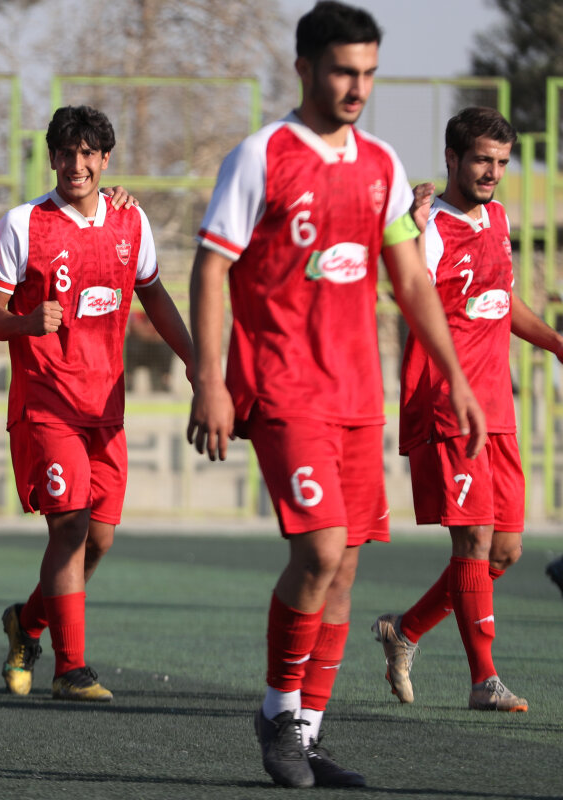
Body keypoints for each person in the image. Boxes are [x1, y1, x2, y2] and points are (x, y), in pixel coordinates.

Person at [186, 2, 486, 788]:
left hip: (357, 396)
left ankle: (310, 735)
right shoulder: (262, 156)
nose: (358, 87)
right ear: (305, 69)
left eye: (369, 73)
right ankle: (277, 714)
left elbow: (410, 278)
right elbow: (212, 267)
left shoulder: (381, 164)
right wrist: (209, 379)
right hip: (283, 388)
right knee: (319, 551)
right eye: (344, 71)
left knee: (346, 569)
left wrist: (454, 375)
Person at [0, 105, 194, 704]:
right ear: (51, 157)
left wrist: (195, 359)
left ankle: (27, 624)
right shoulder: (23, 224)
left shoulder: (131, 220)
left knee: (98, 540)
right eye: (66, 153)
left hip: (106, 408)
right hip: (46, 404)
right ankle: (70, 669)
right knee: (70, 528)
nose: (77, 165)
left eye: (88, 154)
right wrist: (24, 322)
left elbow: (154, 295)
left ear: (105, 159)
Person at [373, 107, 552, 713]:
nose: (492, 172)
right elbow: (407, 292)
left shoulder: (497, 217)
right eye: (481, 159)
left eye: (501, 162)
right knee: (474, 538)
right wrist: (412, 231)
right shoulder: (429, 228)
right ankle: (484, 681)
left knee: (504, 551)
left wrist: (554, 341)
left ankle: (405, 630)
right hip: (448, 404)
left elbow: (503, 299)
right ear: (452, 158)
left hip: (496, 407)